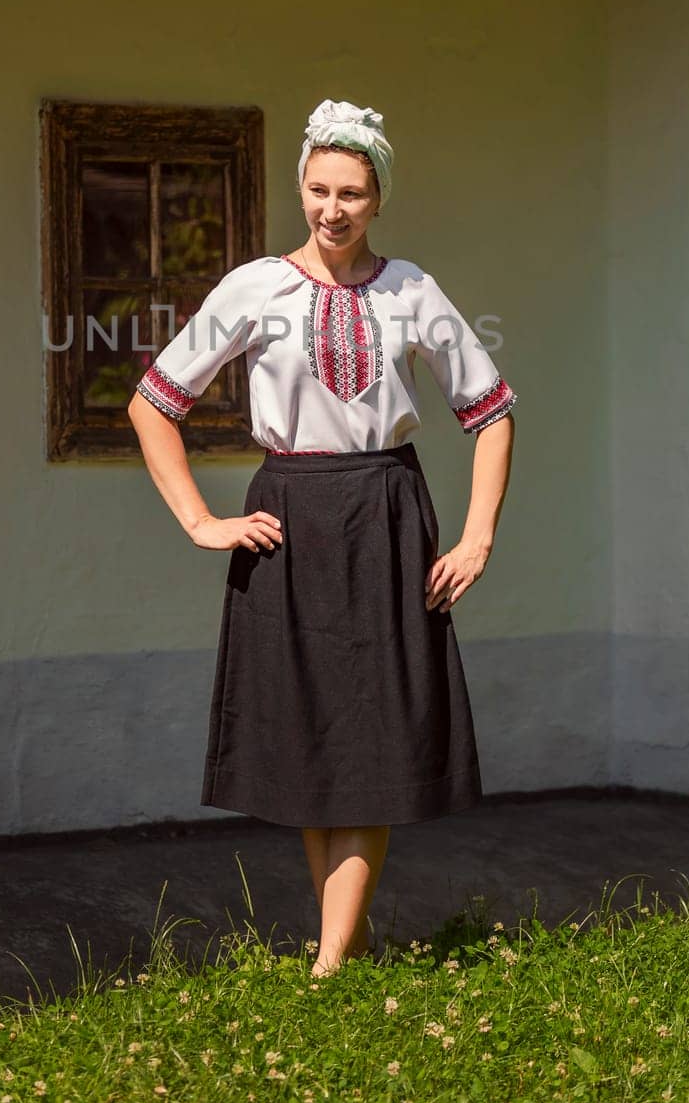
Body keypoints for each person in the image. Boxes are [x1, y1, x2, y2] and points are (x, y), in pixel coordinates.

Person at [127, 98, 516, 978]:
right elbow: (154, 403)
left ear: (379, 198)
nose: (331, 208)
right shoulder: (252, 287)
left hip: (385, 515)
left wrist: (478, 536)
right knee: (306, 734)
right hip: (287, 521)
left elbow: (490, 412)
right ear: (299, 186)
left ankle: (329, 964)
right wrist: (200, 520)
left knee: (374, 735)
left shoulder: (412, 289)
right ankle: (349, 939)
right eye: (317, 189)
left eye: (351, 192)